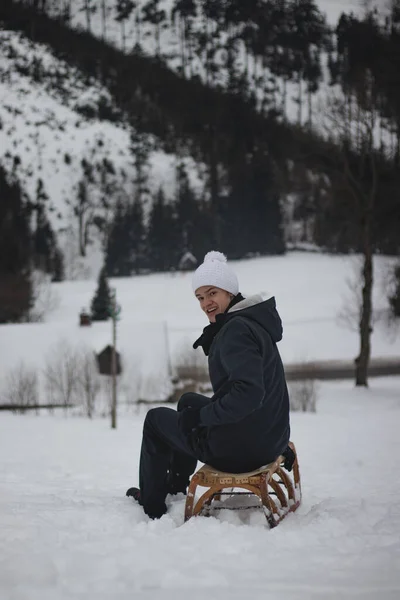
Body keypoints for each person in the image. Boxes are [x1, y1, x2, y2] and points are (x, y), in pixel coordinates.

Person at [126, 251, 291, 519]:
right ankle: (176, 487)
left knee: (155, 419)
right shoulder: (252, 322)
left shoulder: (236, 331)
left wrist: (201, 417)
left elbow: (248, 394)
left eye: (212, 293)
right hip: (267, 437)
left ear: (229, 292)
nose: (206, 303)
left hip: (242, 450)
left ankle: (152, 504)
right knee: (188, 401)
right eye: (200, 297)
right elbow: (260, 390)